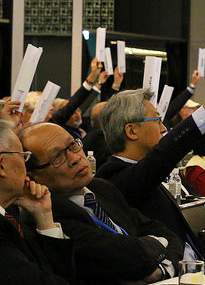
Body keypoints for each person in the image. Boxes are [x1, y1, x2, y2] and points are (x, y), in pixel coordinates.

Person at [96, 69, 205, 269]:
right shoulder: (116, 177)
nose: (164, 128)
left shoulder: (139, 172)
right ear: (131, 131)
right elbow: (168, 151)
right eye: (157, 120)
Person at [21, 123, 184, 283]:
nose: (75, 158)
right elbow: (129, 258)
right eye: (57, 157)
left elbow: (167, 233)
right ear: (34, 176)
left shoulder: (101, 188)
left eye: (72, 145)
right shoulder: (49, 216)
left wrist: (162, 270)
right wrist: (156, 244)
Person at [0, 120, 74, 284]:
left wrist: (44, 218)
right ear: (1, 166)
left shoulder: (11, 219)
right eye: (23, 157)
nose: (26, 168)